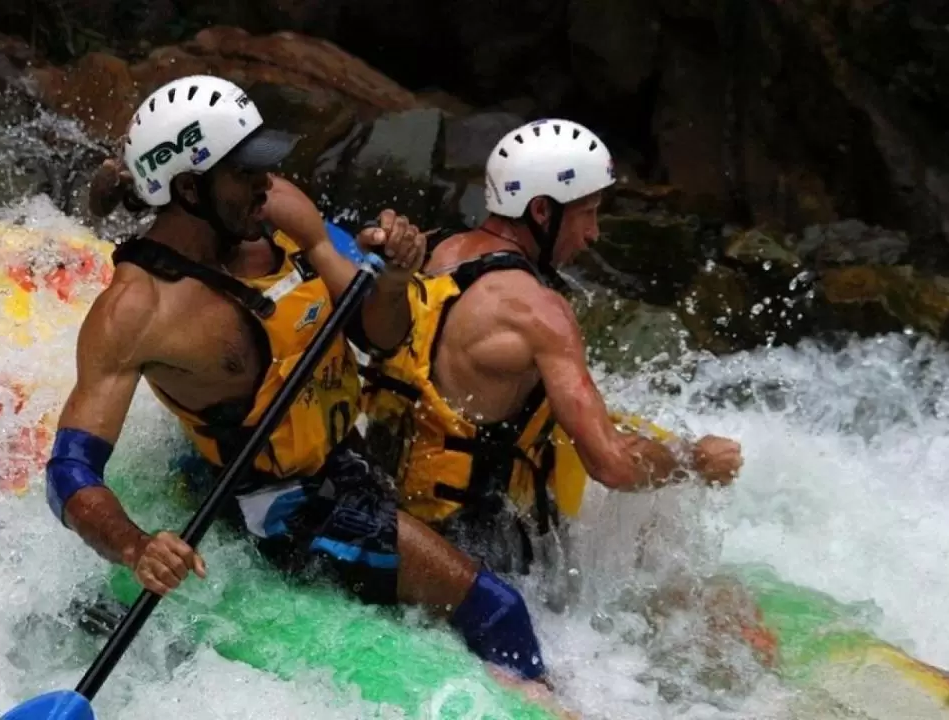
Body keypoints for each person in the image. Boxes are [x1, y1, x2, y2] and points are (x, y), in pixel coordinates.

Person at [46, 75, 550, 685]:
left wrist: (393, 276)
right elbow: (69, 474)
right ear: (188, 189)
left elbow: (379, 335)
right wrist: (135, 546)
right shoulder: (139, 311)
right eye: (244, 172)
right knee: (499, 609)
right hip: (286, 505)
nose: (264, 184)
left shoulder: (275, 210)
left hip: (345, 453)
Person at [360, 118, 744, 574]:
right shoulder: (540, 313)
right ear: (542, 211)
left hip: (381, 519)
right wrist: (694, 460)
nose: (593, 234)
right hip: (476, 557)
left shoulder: (430, 254)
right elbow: (613, 465)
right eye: (587, 213)